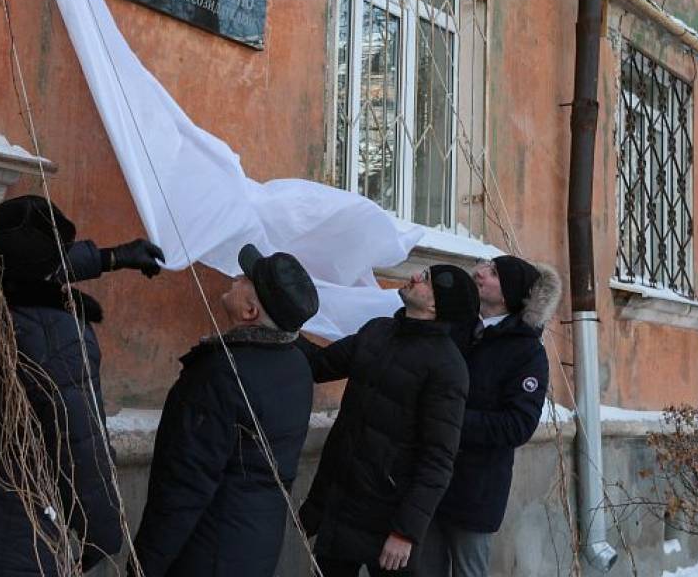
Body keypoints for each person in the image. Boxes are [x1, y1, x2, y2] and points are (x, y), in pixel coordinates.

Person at [0, 194, 164, 576]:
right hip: (20, 543)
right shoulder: (60, 339)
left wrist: (108, 258)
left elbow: (18, 269)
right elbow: (81, 449)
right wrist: (102, 536)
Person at [129, 244, 318, 577]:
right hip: (255, 545)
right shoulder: (297, 364)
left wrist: (145, 564)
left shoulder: (221, 372)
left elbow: (186, 485)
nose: (237, 276)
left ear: (249, 311)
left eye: (247, 279)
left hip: (208, 552)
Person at [298, 265, 476, 576]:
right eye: (423, 271)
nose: (417, 276)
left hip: (389, 521)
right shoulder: (377, 331)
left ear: (436, 306)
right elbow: (319, 365)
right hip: (342, 504)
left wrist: (405, 532)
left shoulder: (448, 367)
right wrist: (281, 319)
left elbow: (438, 459)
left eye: (428, 280)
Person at [416, 255, 560, 577]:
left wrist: (451, 421)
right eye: (484, 265)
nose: (479, 272)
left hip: (476, 488)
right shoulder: (457, 326)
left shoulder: (527, 352)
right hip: (427, 480)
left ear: (509, 294)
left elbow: (517, 425)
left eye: (493, 272)